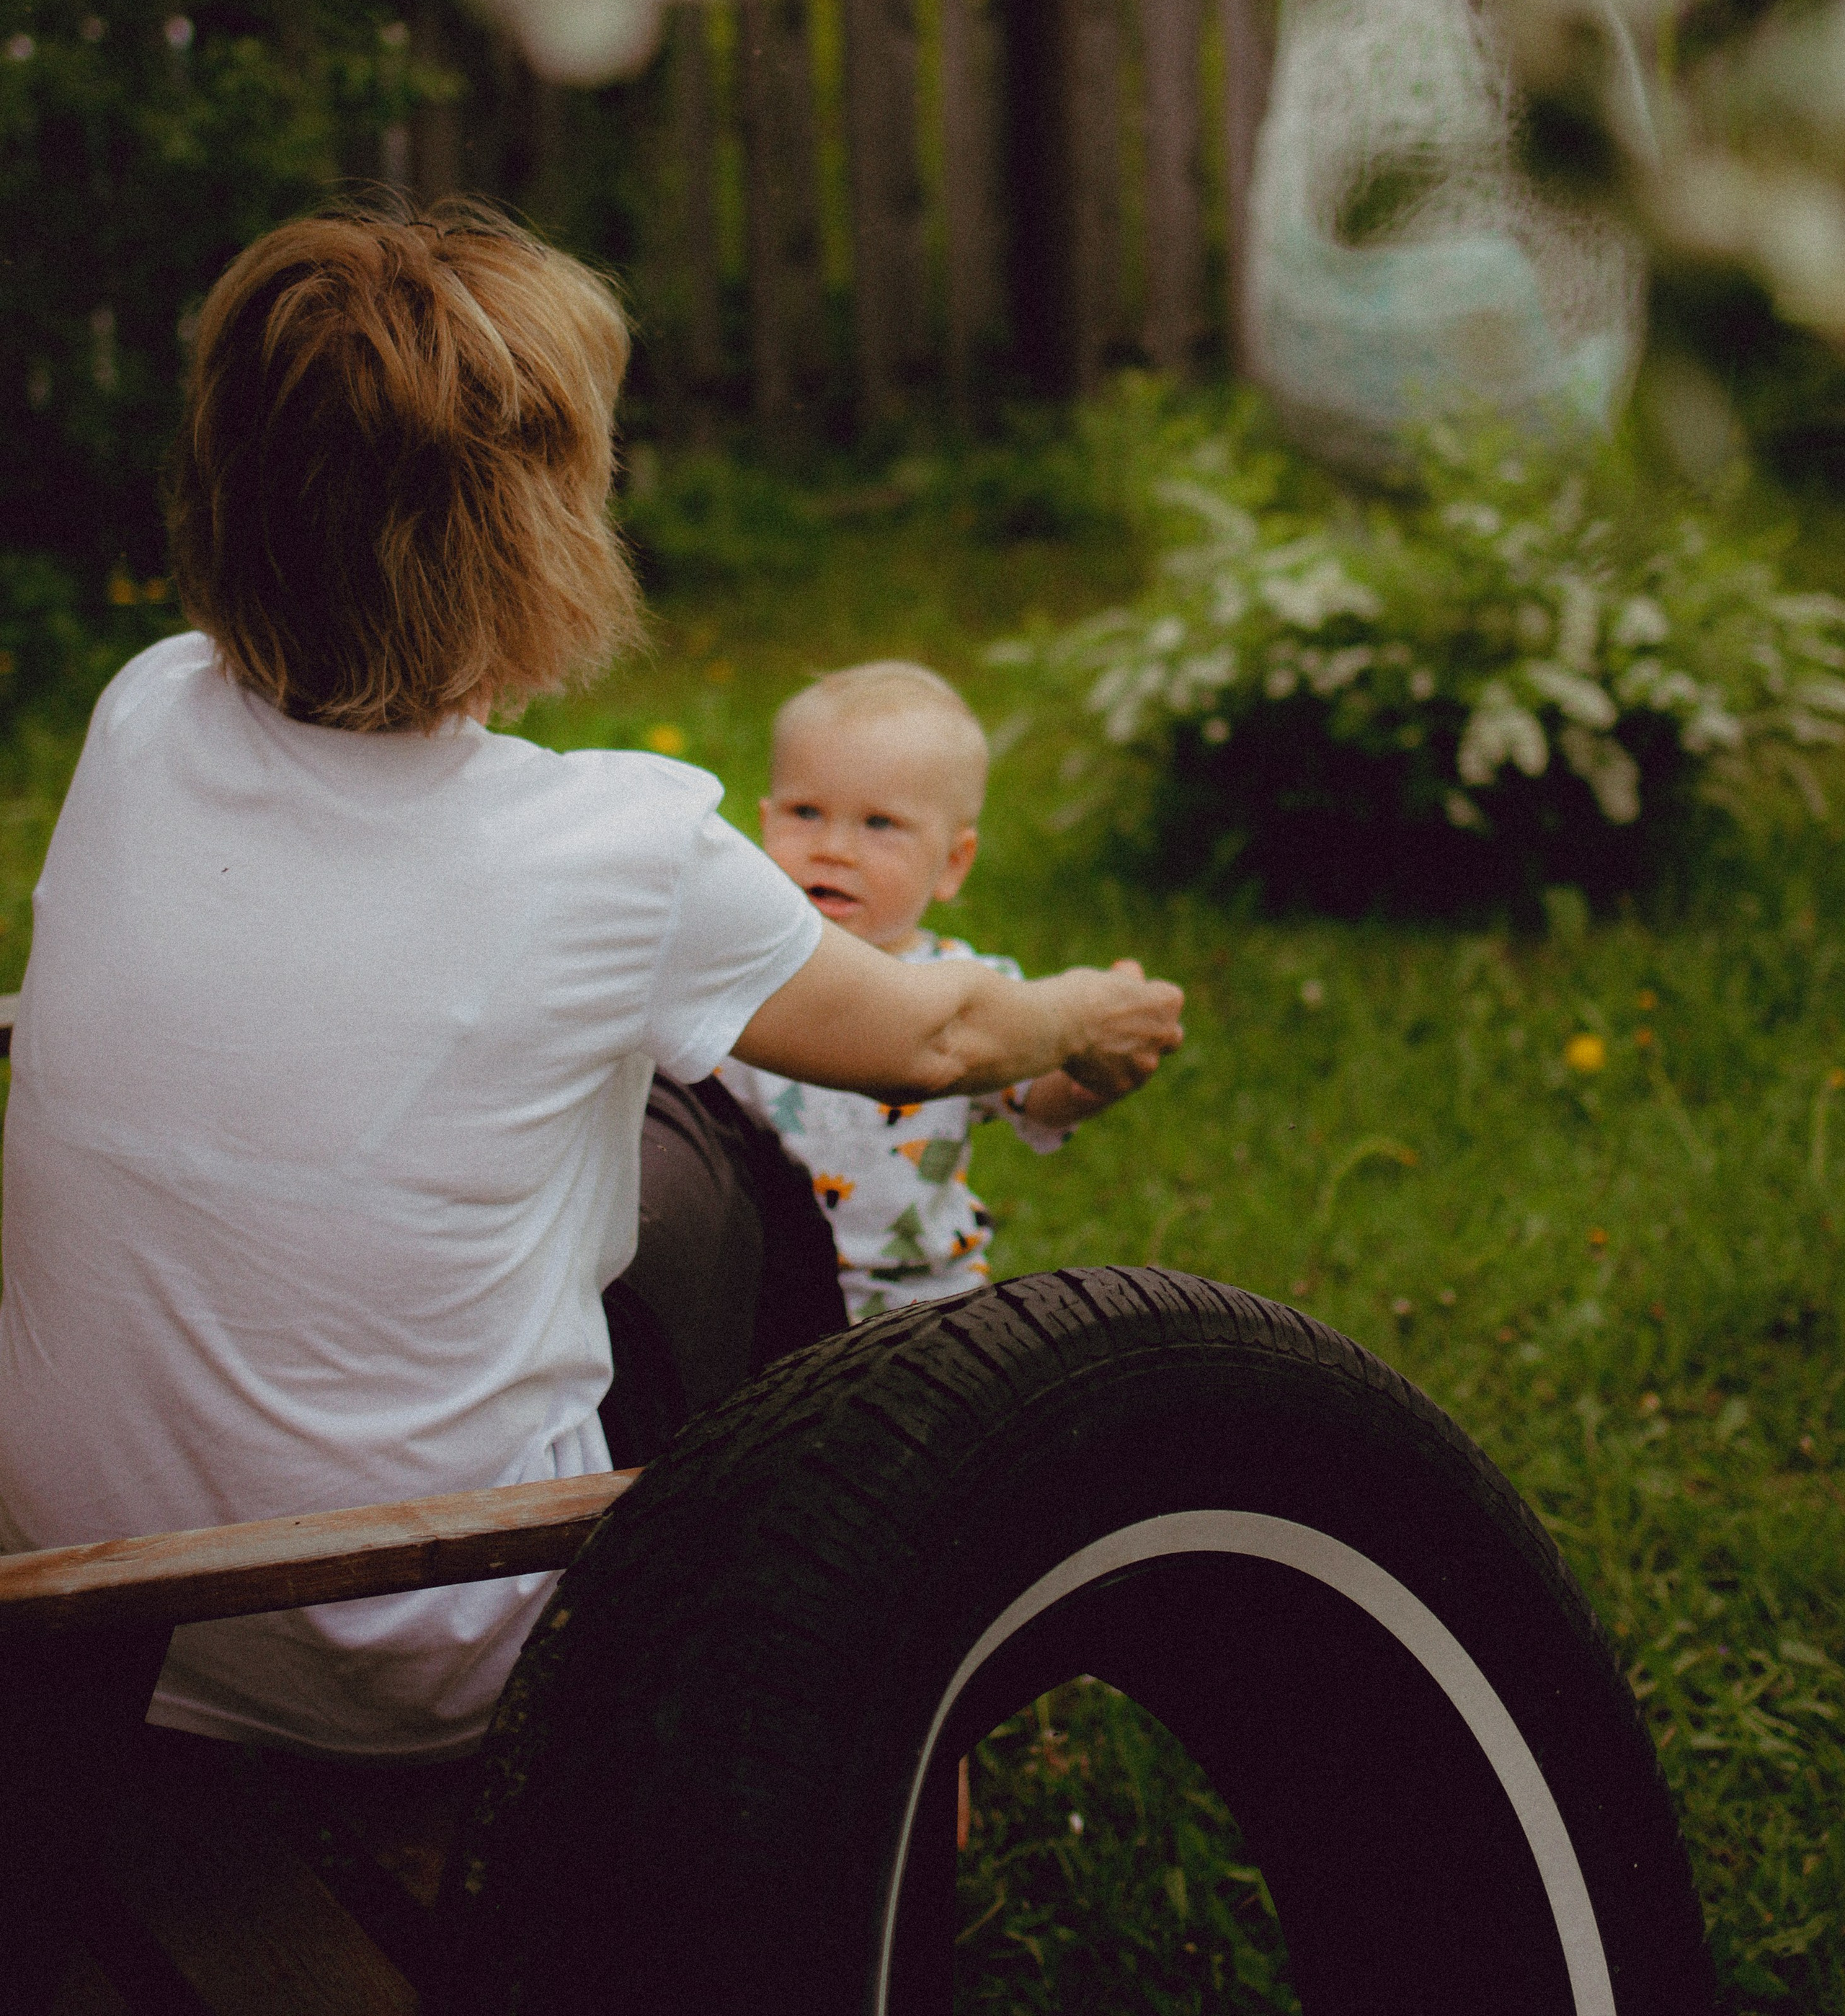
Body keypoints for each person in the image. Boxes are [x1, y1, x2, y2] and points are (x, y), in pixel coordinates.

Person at [0, 201, 1183, 1763]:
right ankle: (814, 1686)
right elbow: (941, 1029)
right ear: (533, 538)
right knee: (715, 1162)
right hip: (408, 1638)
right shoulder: (617, 849)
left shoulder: (143, 712)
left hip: (77, 1593)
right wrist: (1081, 1012)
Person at [720, 662, 1151, 1320]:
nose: (833, 848)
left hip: (921, 1299)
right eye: (805, 813)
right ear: (765, 821)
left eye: (879, 824)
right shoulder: (735, 969)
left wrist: (1094, 1071)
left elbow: (1038, 1097)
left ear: (952, 863)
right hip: (756, 1293)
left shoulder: (971, 992)